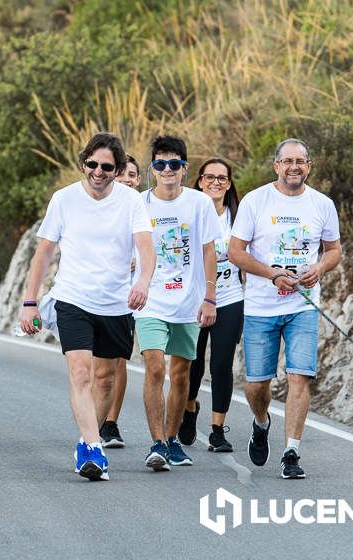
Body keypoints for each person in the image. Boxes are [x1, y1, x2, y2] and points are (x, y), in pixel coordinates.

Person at [19, 132, 154, 481]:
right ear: (83, 164)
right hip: (73, 298)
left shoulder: (131, 202)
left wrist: (141, 282)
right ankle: (93, 449)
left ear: (118, 168)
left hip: (116, 303)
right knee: (82, 373)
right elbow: (44, 253)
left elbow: (145, 249)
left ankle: (85, 438)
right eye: (92, 164)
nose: (99, 171)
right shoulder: (64, 199)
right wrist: (30, 302)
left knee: (107, 379)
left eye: (107, 167)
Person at [228, 138, 342, 479]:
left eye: (301, 161)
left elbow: (334, 250)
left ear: (309, 166)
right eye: (288, 161)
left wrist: (319, 269)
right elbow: (236, 252)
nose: (294, 167)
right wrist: (272, 273)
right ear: (276, 165)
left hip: (303, 307)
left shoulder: (322, 204)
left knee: (299, 377)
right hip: (261, 307)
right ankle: (261, 423)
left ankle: (291, 451)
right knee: (256, 385)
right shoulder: (256, 201)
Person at [135, 136, 219, 471]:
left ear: (184, 168)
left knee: (181, 373)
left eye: (174, 164)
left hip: (188, 301)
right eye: (160, 164)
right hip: (150, 300)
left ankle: (171, 440)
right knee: (155, 366)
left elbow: (209, 250)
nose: (167, 170)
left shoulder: (199, 204)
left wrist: (210, 296)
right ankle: (156, 443)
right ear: (152, 169)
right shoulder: (139, 204)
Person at [178, 158, 244, 452]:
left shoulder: (239, 217)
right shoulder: (189, 212)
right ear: (200, 181)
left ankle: (218, 429)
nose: (216, 182)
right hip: (196, 299)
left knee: (221, 364)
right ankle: (189, 410)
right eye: (210, 177)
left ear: (229, 184)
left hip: (230, 297)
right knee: (192, 362)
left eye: (223, 178)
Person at [99, 154, 141, 449]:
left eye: (133, 175)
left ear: (139, 180)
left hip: (141, 296)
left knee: (120, 361)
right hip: (105, 293)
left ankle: (110, 422)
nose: (127, 179)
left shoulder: (146, 207)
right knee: (99, 365)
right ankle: (96, 420)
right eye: (122, 174)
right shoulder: (104, 208)